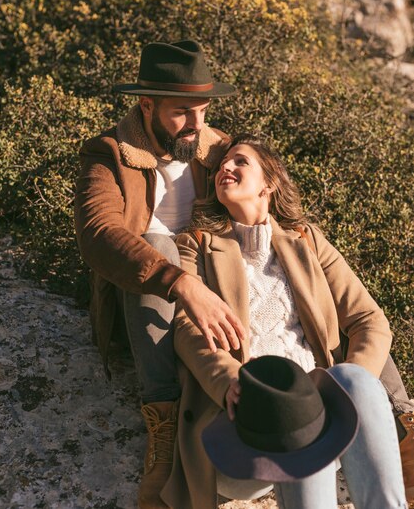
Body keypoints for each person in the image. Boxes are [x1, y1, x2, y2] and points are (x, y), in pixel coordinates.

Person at [159, 133, 412, 509]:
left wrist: (343, 394)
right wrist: (229, 380)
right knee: (295, 409)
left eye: (241, 161)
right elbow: (188, 330)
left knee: (348, 379)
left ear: (269, 183)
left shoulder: (306, 241)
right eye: (222, 165)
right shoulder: (196, 246)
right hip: (250, 422)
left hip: (323, 410)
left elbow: (370, 320)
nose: (225, 168)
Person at [74, 40, 246, 509]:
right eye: (181, 113)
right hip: (154, 292)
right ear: (146, 104)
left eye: (203, 111)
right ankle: (163, 421)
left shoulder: (218, 149)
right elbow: (98, 232)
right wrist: (179, 281)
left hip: (216, 278)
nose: (196, 125)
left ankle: (400, 420)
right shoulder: (109, 153)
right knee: (156, 244)